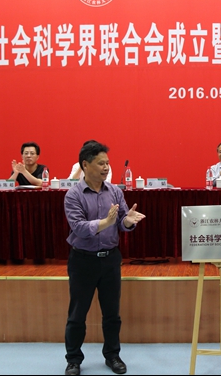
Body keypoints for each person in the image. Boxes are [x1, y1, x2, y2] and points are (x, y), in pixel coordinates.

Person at [63, 141, 146, 376]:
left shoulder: (115, 191)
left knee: (112, 314)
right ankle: (73, 359)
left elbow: (122, 221)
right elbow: (79, 228)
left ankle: (112, 355)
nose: (106, 167)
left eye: (107, 163)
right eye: (101, 163)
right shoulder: (73, 195)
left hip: (110, 259)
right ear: (85, 165)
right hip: (83, 261)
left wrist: (127, 221)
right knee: (77, 314)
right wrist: (106, 222)